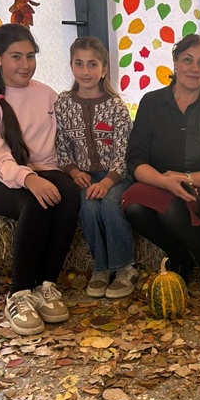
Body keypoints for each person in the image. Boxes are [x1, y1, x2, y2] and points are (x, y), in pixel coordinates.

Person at [0, 24, 80, 336]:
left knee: (70, 194)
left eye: (31, 56)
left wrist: (72, 170)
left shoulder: (46, 94)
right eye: (16, 56)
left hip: (44, 168)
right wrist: (29, 179)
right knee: (36, 203)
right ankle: (19, 293)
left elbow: (64, 141)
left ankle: (47, 284)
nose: (26, 64)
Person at [122, 34, 200, 294]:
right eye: (187, 60)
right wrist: (165, 180)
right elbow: (135, 158)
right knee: (133, 208)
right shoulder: (151, 102)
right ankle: (180, 255)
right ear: (175, 62)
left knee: (170, 208)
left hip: (199, 184)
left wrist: (186, 178)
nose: (194, 68)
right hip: (157, 181)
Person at [55, 37, 137, 299]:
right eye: (79, 63)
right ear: (71, 66)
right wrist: (73, 172)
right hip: (84, 177)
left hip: (117, 176)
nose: (85, 71)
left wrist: (107, 181)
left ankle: (125, 267)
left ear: (104, 70)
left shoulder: (116, 106)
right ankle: (101, 268)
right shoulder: (62, 104)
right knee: (88, 206)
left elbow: (124, 153)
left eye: (92, 64)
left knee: (111, 203)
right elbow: (62, 148)